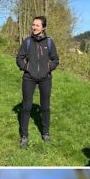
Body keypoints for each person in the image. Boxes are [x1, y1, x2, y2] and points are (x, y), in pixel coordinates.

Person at [16, 16, 59, 148]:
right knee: (26, 107)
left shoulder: (50, 42)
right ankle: (24, 136)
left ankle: (45, 133)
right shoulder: (27, 42)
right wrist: (26, 67)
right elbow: (19, 58)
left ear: (43, 27)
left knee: (45, 107)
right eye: (33, 24)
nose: (34, 27)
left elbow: (55, 59)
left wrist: (48, 68)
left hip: (45, 79)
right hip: (29, 78)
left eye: (37, 25)